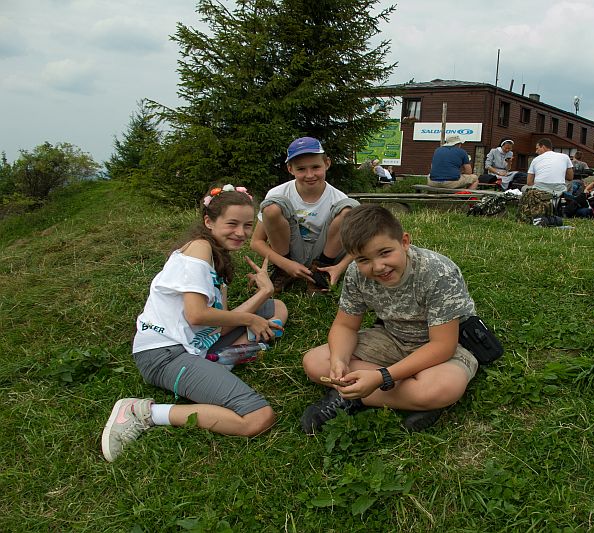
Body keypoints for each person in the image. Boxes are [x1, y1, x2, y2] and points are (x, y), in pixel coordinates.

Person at [101, 184, 289, 462]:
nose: (241, 232)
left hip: (192, 345)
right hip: (164, 355)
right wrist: (250, 319)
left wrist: (264, 292)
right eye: (232, 224)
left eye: (248, 225)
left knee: (275, 307)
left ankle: (217, 361)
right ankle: (142, 412)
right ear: (209, 222)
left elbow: (218, 323)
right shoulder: (200, 249)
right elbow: (197, 315)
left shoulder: (216, 260)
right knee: (258, 417)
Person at [300, 204, 480, 434]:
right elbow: (345, 325)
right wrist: (339, 360)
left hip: (445, 345)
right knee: (315, 362)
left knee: (444, 387)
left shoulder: (437, 271)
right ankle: (413, 400)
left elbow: (443, 346)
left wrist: (381, 377)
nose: (378, 266)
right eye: (363, 259)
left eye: (385, 253)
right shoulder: (356, 275)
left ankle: (355, 397)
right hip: (392, 336)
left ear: (404, 242)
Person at [251, 137, 360, 294]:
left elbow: (360, 244)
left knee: (350, 209)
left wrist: (340, 267)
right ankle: (283, 271)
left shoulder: (338, 197)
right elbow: (256, 242)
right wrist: (285, 263)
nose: (310, 175)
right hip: (291, 250)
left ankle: (321, 270)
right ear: (290, 169)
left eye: (316, 167)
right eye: (301, 169)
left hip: (325, 249)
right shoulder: (277, 192)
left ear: (327, 164)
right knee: (272, 207)